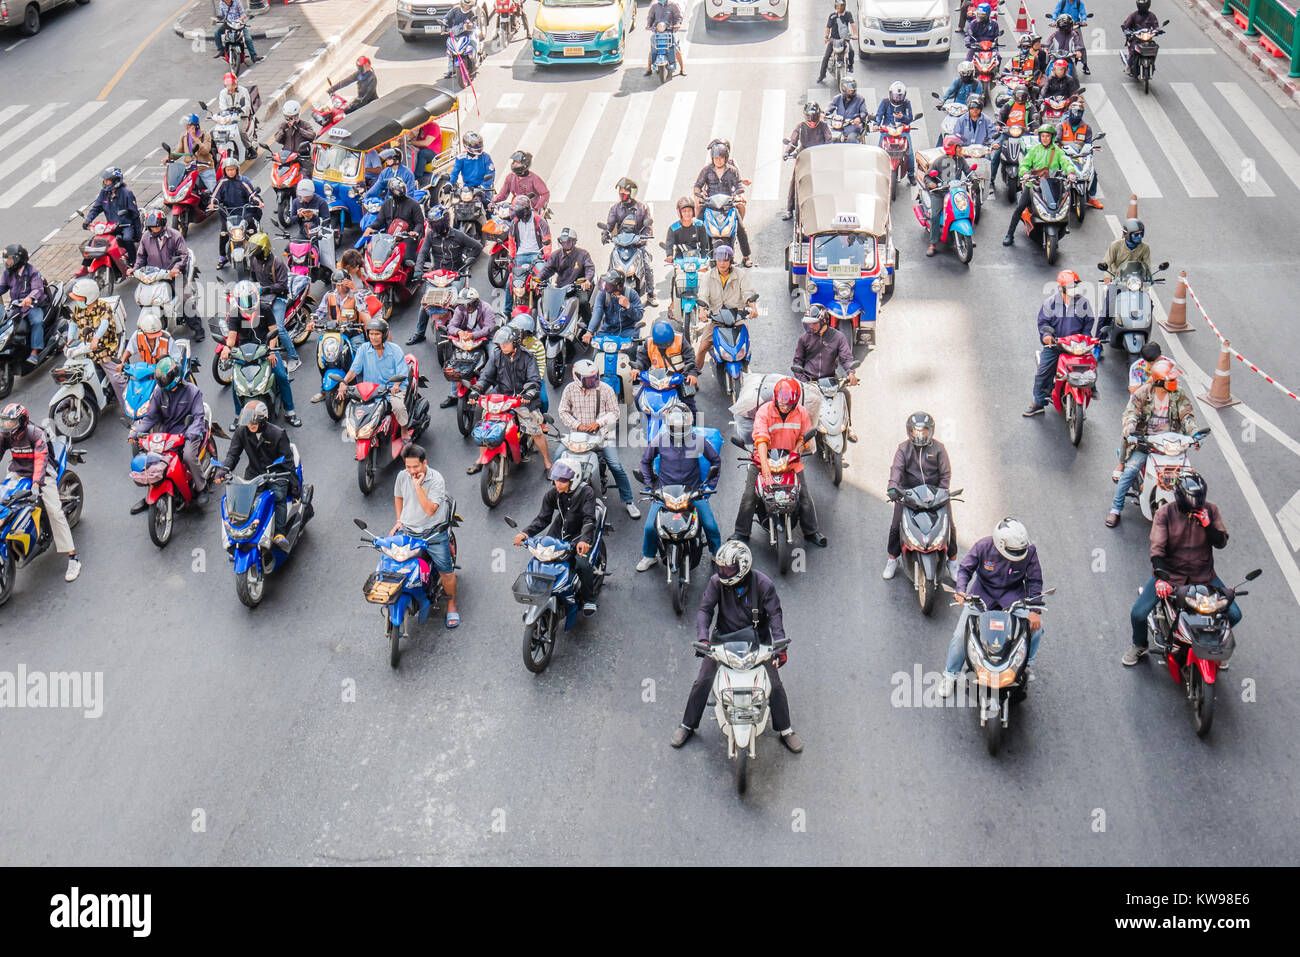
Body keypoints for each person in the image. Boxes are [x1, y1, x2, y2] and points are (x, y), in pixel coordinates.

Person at [670, 540, 803, 752]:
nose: (723, 572)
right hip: (723, 639)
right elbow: (705, 611)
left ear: (743, 566)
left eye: (728, 568)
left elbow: (776, 615)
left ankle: (785, 729)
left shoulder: (763, 584)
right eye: (721, 568)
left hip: (758, 642)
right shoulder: (716, 583)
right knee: (703, 680)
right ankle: (687, 724)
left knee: (775, 685)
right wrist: (703, 638)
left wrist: (780, 646)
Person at [1123, 471, 1240, 666]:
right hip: (1171, 574)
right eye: (1191, 499)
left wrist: (1208, 526)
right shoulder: (1165, 513)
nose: (1196, 503)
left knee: (1234, 614)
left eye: (1199, 498)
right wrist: (1161, 578)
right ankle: (1139, 645)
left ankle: (1211, 644)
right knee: (1138, 613)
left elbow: (1221, 542)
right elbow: (1157, 549)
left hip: (1203, 575)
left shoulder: (1211, 510)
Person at [939, 518, 1045, 695]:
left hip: (1013, 598)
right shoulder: (983, 546)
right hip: (981, 596)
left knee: (1037, 629)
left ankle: (1026, 665)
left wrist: (1035, 611)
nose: (1018, 553)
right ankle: (950, 675)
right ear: (1000, 544)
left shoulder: (1030, 552)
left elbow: (1034, 581)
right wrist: (961, 591)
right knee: (960, 635)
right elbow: (965, 570)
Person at [733, 377, 827, 548]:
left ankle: (812, 531)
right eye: (782, 404)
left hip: (789, 459)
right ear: (775, 399)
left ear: (795, 402)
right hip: (763, 458)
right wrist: (765, 466)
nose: (785, 407)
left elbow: (803, 437)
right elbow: (761, 439)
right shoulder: (764, 411)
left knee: (804, 495)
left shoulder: (801, 413)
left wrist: (797, 450)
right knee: (749, 496)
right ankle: (741, 532)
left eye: (788, 404)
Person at [1107, 358, 1198, 527]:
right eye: (1171, 380)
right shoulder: (1143, 393)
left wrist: (1194, 433)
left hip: (1172, 443)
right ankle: (1115, 509)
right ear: (1159, 382)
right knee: (1130, 471)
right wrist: (1131, 429)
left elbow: (1187, 415)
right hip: (1147, 443)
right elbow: (1130, 414)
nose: (1174, 382)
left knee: (1188, 474)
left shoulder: (1178, 393)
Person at [0, 404, 80, 581]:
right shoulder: (6, 435)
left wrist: (36, 484)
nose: (6, 426)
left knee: (55, 512)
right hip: (18, 472)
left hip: (42, 474)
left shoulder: (35, 433)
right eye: (5, 422)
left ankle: (73, 558)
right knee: (4, 503)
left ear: (21, 421)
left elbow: (41, 459)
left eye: (10, 422)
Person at [637, 405, 721, 571]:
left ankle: (717, 553)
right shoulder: (659, 440)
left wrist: (710, 486)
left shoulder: (698, 440)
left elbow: (715, 461)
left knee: (710, 525)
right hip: (665, 492)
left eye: (682, 426)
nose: (679, 429)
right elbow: (645, 462)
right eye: (675, 427)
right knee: (649, 527)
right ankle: (649, 556)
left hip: (693, 492)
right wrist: (650, 485)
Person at [514, 462, 599, 615]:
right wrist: (526, 533)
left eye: (563, 480)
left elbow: (588, 519)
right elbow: (543, 518)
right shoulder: (552, 494)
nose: (557, 484)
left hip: (579, 535)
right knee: (542, 559)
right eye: (556, 480)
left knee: (582, 563)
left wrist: (584, 540)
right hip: (558, 533)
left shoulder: (587, 493)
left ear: (574, 479)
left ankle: (589, 599)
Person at [559, 359, 640, 518]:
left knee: (616, 466)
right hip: (577, 437)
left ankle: (629, 501)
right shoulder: (569, 390)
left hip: (602, 435)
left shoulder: (606, 389)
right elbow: (563, 412)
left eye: (595, 377)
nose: (594, 381)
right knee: (558, 460)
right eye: (589, 379)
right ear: (577, 377)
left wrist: (598, 423)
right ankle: (558, 497)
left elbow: (615, 412)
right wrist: (578, 425)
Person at [216, 399, 300, 551]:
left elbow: (288, 462)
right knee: (245, 503)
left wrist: (294, 484)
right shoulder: (241, 431)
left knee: (279, 497)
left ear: (263, 420)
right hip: (254, 474)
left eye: (254, 422)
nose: (250, 425)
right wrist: (223, 469)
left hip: (276, 473)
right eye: (248, 423)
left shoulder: (277, 434)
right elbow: (232, 455)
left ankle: (279, 534)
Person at [128, 355, 210, 509]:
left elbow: (198, 417)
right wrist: (135, 433)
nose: (167, 387)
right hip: (167, 434)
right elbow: (150, 417)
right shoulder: (159, 392)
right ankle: (149, 496)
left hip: (188, 433)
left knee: (188, 456)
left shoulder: (193, 391)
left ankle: (201, 487)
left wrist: (190, 434)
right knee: (151, 461)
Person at [392, 443, 460, 628]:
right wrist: (399, 520)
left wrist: (417, 487)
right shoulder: (402, 476)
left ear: (424, 463)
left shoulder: (436, 479)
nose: (412, 471)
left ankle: (451, 606)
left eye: (415, 466)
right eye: (408, 467)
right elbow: (398, 496)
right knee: (399, 565)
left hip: (433, 534)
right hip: (409, 531)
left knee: (446, 572)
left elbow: (430, 510)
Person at [882, 412, 957, 581]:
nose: (920, 435)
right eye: (916, 432)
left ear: (930, 431)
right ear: (910, 432)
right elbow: (896, 471)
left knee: (949, 526)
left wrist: (942, 492)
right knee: (896, 525)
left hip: (935, 495)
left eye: (923, 431)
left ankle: (952, 561)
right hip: (909, 495)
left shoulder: (939, 449)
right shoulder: (903, 449)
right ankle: (892, 559)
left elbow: (945, 474)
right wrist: (893, 488)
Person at [220, 280, 301, 427]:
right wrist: (226, 348)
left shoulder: (265, 309)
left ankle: (290, 412)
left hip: (265, 350)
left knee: (281, 376)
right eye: (243, 300)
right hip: (244, 353)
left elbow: (274, 332)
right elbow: (232, 338)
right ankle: (238, 415)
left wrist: (271, 350)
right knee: (236, 383)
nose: (247, 304)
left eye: (249, 298)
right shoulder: (235, 314)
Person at [472, 326, 551, 473]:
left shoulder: (528, 357)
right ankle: (481, 458)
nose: (502, 347)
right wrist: (477, 389)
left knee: (536, 431)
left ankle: (547, 463)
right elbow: (486, 376)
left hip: (522, 400)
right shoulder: (496, 355)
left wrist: (529, 392)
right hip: (501, 397)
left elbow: (534, 379)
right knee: (485, 426)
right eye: (500, 344)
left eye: (505, 344)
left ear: (515, 343)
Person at [1024, 269, 1095, 416]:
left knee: (1092, 364)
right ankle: (1038, 402)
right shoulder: (1050, 303)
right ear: (1061, 288)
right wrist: (1047, 335)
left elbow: (1089, 323)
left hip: (1077, 347)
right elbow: (1043, 323)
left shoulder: (1083, 303)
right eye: (1070, 286)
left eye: (1075, 286)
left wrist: (1087, 338)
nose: (1074, 289)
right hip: (1057, 346)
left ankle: (1091, 388)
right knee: (1043, 372)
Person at [336, 317, 414, 441]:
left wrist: (396, 385)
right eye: (371, 334)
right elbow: (354, 370)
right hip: (372, 390)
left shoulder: (395, 350)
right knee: (356, 407)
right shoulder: (363, 349)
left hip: (392, 389)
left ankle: (404, 430)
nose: (373, 337)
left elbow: (401, 372)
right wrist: (344, 382)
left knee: (398, 406)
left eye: (377, 334)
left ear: (384, 335)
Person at [131, 209, 203, 341]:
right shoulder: (146, 237)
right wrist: (135, 269)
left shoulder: (175, 236)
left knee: (184, 298)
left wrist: (176, 269)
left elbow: (183, 255)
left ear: (163, 224)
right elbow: (141, 257)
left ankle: (198, 329)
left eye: (156, 226)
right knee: (143, 297)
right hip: (153, 276)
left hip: (173, 275)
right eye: (151, 227)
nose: (154, 229)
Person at [1003, 123, 1074, 247]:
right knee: (1020, 207)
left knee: (1065, 203)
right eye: (1043, 136)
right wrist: (1025, 173)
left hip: (1052, 185)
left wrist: (1071, 173)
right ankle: (1009, 234)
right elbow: (1024, 164)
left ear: (1052, 137)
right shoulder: (1034, 150)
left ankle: (1063, 225)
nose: (1045, 138)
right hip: (1034, 184)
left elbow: (1066, 162)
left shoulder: (1058, 151)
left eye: (1047, 136)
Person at [792, 305, 857, 438]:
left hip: (830, 379)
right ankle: (800, 433)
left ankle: (848, 426)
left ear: (823, 321)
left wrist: (851, 373)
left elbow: (846, 357)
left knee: (845, 394)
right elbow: (797, 362)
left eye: (814, 323)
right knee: (799, 402)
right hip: (810, 381)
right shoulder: (804, 339)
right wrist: (803, 381)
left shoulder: (838, 337)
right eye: (809, 323)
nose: (811, 326)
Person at [693, 245, 757, 370]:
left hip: (736, 319)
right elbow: (703, 295)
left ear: (731, 261)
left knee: (745, 347)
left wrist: (753, 307)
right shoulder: (708, 276)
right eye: (720, 259)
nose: (722, 263)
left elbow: (748, 292)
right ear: (715, 260)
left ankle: (745, 368)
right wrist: (702, 311)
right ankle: (694, 377)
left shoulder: (740, 274)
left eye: (726, 260)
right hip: (717, 320)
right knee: (702, 349)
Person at [66, 275, 124, 405]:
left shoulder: (103, 307)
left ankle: (128, 403)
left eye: (80, 299)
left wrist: (96, 338)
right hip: (86, 346)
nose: (77, 302)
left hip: (104, 347)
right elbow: (73, 323)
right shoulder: (78, 308)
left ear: (89, 297)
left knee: (116, 380)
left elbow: (104, 324)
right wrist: (69, 339)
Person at [693, 140, 753, 267]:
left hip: (728, 206)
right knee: (697, 226)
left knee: (741, 229)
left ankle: (746, 256)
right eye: (716, 158)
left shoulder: (732, 171)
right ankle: (695, 254)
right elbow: (697, 186)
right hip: (710, 205)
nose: (718, 160)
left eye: (721, 158)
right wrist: (699, 194)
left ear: (726, 158)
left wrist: (740, 194)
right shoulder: (706, 170)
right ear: (712, 158)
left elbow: (739, 185)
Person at [246, 232, 299, 371]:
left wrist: (265, 289)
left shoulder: (278, 263)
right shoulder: (254, 261)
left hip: (278, 298)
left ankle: (294, 357)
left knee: (278, 329)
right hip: (262, 298)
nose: (255, 255)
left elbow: (282, 285)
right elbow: (252, 279)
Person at [436, 285, 498, 401]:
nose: (466, 307)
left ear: (475, 302)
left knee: (494, 356)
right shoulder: (460, 309)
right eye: (464, 304)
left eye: (469, 304)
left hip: (485, 340)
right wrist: (459, 332)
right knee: (455, 363)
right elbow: (451, 326)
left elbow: (489, 328)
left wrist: (473, 335)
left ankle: (496, 388)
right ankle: (453, 394)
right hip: (466, 341)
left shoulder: (486, 308)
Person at [1097, 218, 1151, 345]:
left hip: (1135, 283)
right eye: (1136, 234)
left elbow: (1147, 266)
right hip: (1118, 281)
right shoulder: (1115, 246)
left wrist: (1147, 278)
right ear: (1127, 234)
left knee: (1149, 305)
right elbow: (1106, 262)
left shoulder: (1145, 248)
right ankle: (1098, 342)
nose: (1139, 237)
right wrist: (1107, 276)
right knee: (1107, 312)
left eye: (1141, 234)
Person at [604, 178, 656, 303]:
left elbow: (648, 227)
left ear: (632, 192)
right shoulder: (615, 208)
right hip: (620, 245)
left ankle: (651, 294)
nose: (622, 193)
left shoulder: (642, 208)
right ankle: (605, 296)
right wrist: (605, 233)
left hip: (637, 245)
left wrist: (642, 238)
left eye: (625, 190)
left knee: (648, 266)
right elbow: (609, 225)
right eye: (621, 190)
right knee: (610, 268)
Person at [635, 319, 699, 420]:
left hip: (678, 378)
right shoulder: (649, 343)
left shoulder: (680, 340)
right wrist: (637, 368)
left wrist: (692, 373)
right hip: (656, 379)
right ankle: (646, 417)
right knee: (638, 399)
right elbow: (642, 359)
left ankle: (693, 428)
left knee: (690, 407)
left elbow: (690, 357)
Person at [533, 226, 596, 322]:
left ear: (574, 242)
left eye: (568, 242)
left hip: (578, 288)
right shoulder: (556, 255)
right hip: (561, 289)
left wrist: (587, 280)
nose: (565, 244)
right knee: (545, 302)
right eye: (563, 242)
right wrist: (538, 279)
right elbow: (547, 269)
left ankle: (590, 328)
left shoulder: (583, 254)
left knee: (583, 302)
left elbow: (590, 268)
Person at [211, 156, 263, 269]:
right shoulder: (222, 182)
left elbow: (252, 194)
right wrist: (212, 204)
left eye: (232, 169)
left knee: (252, 229)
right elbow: (214, 196)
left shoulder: (244, 181)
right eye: (228, 170)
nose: (230, 172)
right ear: (224, 170)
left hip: (244, 212)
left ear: (237, 169)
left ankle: (258, 252)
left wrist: (258, 202)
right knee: (223, 233)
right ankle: (222, 257)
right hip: (228, 214)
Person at [0, 244, 49, 365]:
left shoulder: (32, 272)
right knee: (6, 324)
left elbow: (38, 289)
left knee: (37, 322)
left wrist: (29, 298)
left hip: (33, 306)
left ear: (18, 259)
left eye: (10, 259)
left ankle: (34, 352)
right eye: (6, 260)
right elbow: (2, 287)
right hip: (16, 306)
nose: (8, 262)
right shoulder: (7, 273)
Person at [923, 136, 971, 256]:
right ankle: (933, 243)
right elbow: (927, 177)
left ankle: (967, 235)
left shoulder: (961, 160)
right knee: (935, 215)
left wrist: (974, 178)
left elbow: (968, 171)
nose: (961, 149)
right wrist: (932, 184)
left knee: (968, 207)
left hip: (955, 191)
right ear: (952, 148)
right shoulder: (939, 161)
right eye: (958, 147)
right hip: (939, 193)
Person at [783, 103, 832, 221]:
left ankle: (829, 206)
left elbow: (828, 140)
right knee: (795, 180)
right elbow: (793, 141)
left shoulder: (824, 126)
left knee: (829, 179)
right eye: (809, 120)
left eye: (814, 119)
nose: (812, 122)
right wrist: (787, 152)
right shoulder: (800, 127)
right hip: (804, 156)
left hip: (820, 157)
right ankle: (789, 209)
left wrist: (828, 151)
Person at [84, 167, 142, 265]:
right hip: (111, 226)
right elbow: (96, 208)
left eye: (108, 181)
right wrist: (88, 220)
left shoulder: (127, 193)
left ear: (115, 181)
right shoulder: (104, 193)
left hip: (125, 226)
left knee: (127, 239)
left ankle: (134, 262)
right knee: (94, 240)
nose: (105, 182)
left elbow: (135, 214)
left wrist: (138, 234)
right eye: (105, 180)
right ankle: (85, 266)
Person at [504, 196, 551, 314]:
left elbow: (547, 239)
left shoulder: (540, 221)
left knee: (545, 280)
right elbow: (511, 241)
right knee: (510, 283)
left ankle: (548, 308)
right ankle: (507, 311)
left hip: (536, 255)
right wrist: (511, 256)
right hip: (521, 256)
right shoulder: (514, 223)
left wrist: (546, 254)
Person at [1058, 101, 1102, 208]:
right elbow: (1057, 140)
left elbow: (1088, 144)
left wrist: (1089, 153)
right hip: (1065, 156)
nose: (1077, 114)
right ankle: (1057, 196)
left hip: (1080, 157)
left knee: (1093, 174)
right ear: (1070, 112)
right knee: (1056, 173)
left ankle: (1092, 198)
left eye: (1079, 112)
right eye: (1074, 112)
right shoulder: (1062, 126)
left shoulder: (1086, 128)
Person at [585, 270, 643, 350]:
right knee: (597, 354)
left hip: (627, 331)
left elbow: (639, 316)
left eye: (609, 284)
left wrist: (628, 306)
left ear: (619, 286)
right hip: (608, 330)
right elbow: (597, 313)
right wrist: (589, 331)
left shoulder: (632, 294)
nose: (606, 286)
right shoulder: (603, 294)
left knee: (631, 354)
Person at [873, 82, 916, 185]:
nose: (897, 99)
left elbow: (909, 118)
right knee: (879, 151)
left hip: (901, 131)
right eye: (895, 96)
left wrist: (902, 117)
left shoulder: (906, 103)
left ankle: (911, 174)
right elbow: (879, 115)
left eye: (899, 96)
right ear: (890, 94)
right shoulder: (885, 102)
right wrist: (876, 124)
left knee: (909, 153)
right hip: (887, 130)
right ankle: (877, 172)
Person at [509, 313, 548, 412]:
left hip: (533, 378)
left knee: (544, 401)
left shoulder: (537, 345)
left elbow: (541, 366)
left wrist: (533, 383)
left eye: (518, 331)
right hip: (512, 377)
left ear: (526, 332)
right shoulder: (510, 342)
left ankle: (542, 423)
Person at [216, 71, 258, 156]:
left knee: (240, 131)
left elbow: (246, 105)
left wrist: (240, 110)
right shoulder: (223, 93)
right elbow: (222, 106)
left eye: (232, 85)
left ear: (236, 83)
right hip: (228, 118)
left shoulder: (243, 91)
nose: (230, 87)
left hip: (242, 117)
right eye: (228, 85)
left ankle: (250, 148)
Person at [817, 0, 856, 83]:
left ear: (844, 6)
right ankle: (822, 75)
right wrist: (826, 37)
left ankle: (850, 65)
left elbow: (852, 24)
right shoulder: (832, 16)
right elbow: (828, 28)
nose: (839, 7)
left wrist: (855, 34)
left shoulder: (848, 14)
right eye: (838, 5)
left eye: (841, 5)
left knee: (852, 51)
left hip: (845, 38)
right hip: (833, 39)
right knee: (826, 57)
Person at [644, 1, 686, 77]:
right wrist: (648, 25)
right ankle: (649, 68)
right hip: (657, 32)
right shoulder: (654, 6)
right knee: (653, 49)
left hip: (669, 31)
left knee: (676, 49)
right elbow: (650, 17)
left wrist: (677, 24)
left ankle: (682, 69)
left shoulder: (673, 5)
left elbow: (678, 17)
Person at [440, 0, 481, 79]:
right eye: (465, 4)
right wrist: (444, 25)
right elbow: (447, 18)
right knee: (450, 50)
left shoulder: (471, 12)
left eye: (468, 5)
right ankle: (451, 70)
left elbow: (474, 22)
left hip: (467, 33)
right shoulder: (455, 10)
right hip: (455, 32)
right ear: (462, 3)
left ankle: (475, 62)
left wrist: (470, 25)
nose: (466, 6)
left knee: (473, 43)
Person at [448, 131, 496, 196]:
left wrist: (483, 186)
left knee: (486, 203)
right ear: (466, 145)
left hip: (483, 188)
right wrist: (449, 183)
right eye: (474, 144)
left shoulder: (486, 157)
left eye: (479, 143)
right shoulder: (460, 157)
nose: (478, 146)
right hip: (467, 189)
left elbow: (491, 173)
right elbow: (454, 173)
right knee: (455, 204)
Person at [665, 196, 711, 262]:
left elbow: (705, 245)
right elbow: (669, 245)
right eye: (684, 211)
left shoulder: (700, 225)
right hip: (680, 260)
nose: (687, 213)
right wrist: (669, 255)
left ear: (693, 212)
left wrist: (704, 260)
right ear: (680, 213)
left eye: (689, 211)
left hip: (698, 259)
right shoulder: (673, 228)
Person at [828, 77, 870, 145]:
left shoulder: (860, 99)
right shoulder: (837, 98)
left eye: (852, 90)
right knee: (831, 139)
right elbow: (830, 107)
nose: (851, 91)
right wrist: (823, 114)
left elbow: (864, 112)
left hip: (853, 126)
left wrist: (859, 118)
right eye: (849, 90)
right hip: (839, 125)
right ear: (843, 89)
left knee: (851, 139)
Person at [1122, 0, 1161, 70]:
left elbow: (1156, 25)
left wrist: (1157, 30)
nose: (1143, 6)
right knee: (1133, 49)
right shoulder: (1134, 15)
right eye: (1141, 4)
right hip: (1135, 39)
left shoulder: (1151, 16)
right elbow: (1126, 25)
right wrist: (1126, 30)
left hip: (1147, 39)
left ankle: (1152, 63)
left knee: (1154, 47)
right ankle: (1129, 66)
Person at [411, 117, 443, 187]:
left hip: (433, 153)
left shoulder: (434, 127)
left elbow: (426, 143)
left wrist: (411, 142)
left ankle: (417, 179)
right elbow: (412, 137)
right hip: (421, 150)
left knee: (423, 153)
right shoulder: (421, 127)